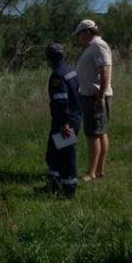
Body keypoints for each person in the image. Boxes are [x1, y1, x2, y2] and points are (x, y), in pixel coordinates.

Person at [72, 19, 113, 181]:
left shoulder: (98, 45)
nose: (79, 38)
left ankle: (92, 172)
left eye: (80, 34)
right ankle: (99, 170)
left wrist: (101, 96)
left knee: (93, 134)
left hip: (95, 96)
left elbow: (105, 71)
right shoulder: (92, 47)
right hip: (92, 96)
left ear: (88, 32)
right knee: (100, 132)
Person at [44, 43, 83, 198]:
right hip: (73, 117)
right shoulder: (70, 71)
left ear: (49, 58)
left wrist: (64, 124)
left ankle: (68, 190)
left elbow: (61, 101)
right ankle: (54, 184)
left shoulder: (58, 75)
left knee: (65, 156)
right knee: (53, 154)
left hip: (64, 121)